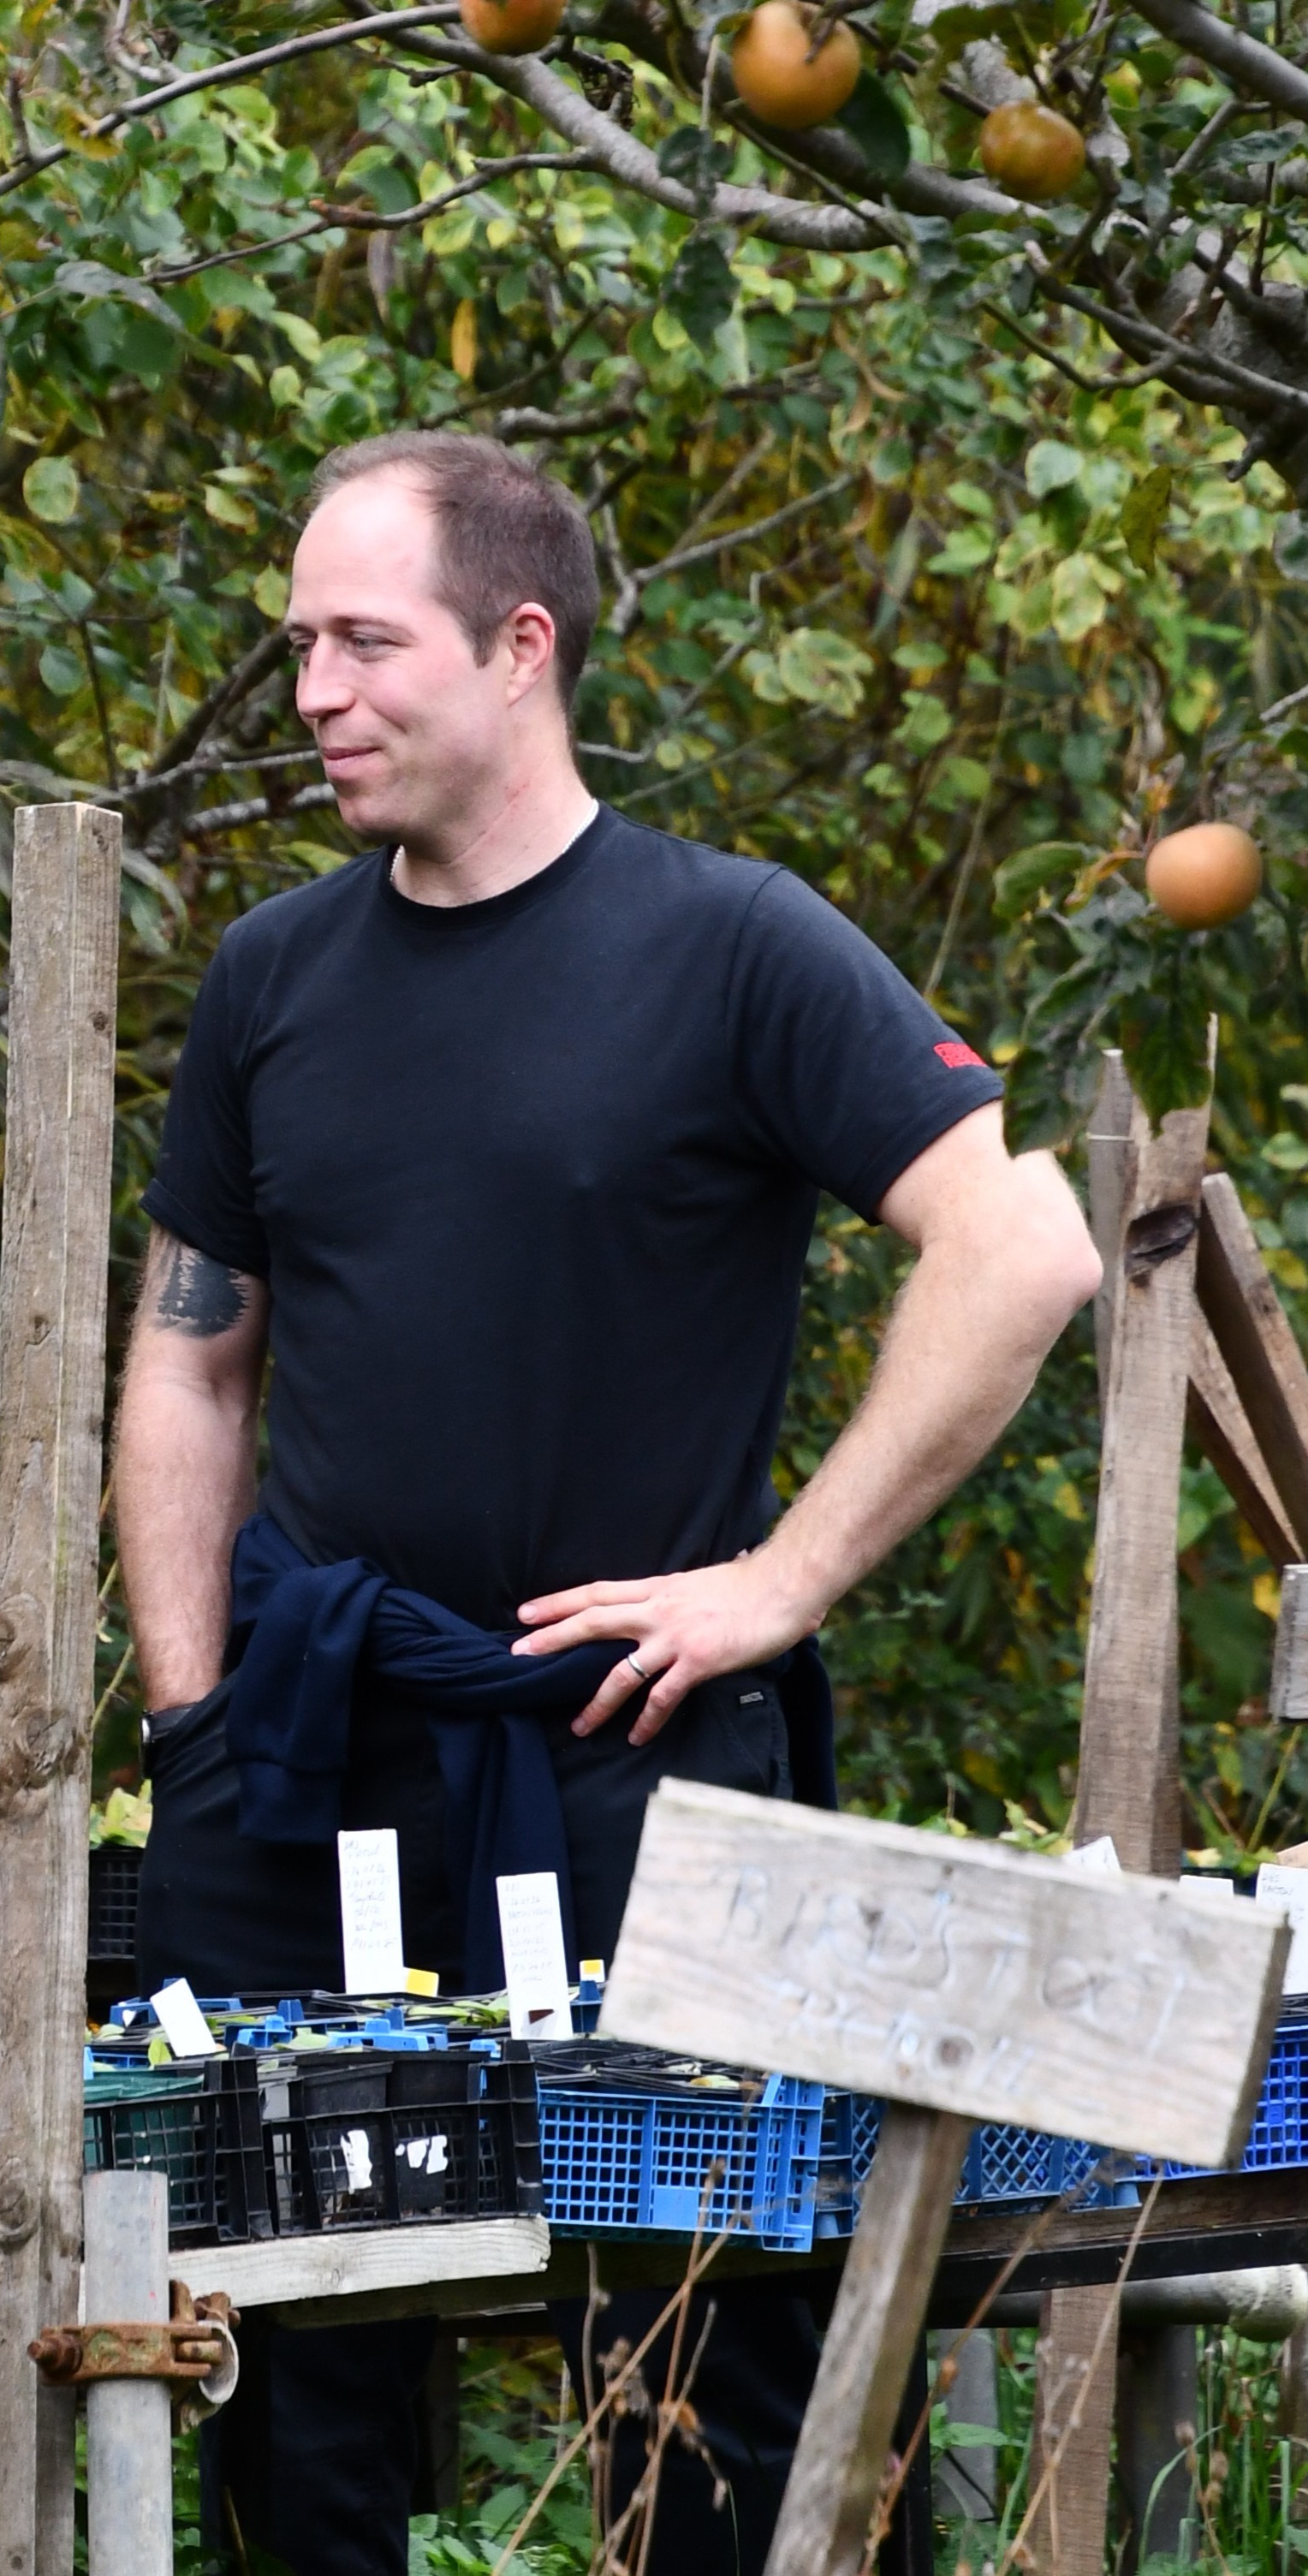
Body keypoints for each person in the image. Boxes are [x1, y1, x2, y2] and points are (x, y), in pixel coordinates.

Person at [112, 434, 1103, 2576]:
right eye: (299, 645)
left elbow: (1018, 1246)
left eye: (361, 642)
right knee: (286, 2371)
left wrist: (778, 1579)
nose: (311, 691)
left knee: (706, 2377)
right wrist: (192, 1715)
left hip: (635, 1764)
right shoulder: (271, 978)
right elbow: (191, 1353)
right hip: (312, 1761)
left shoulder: (728, 945)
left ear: (517, 646)